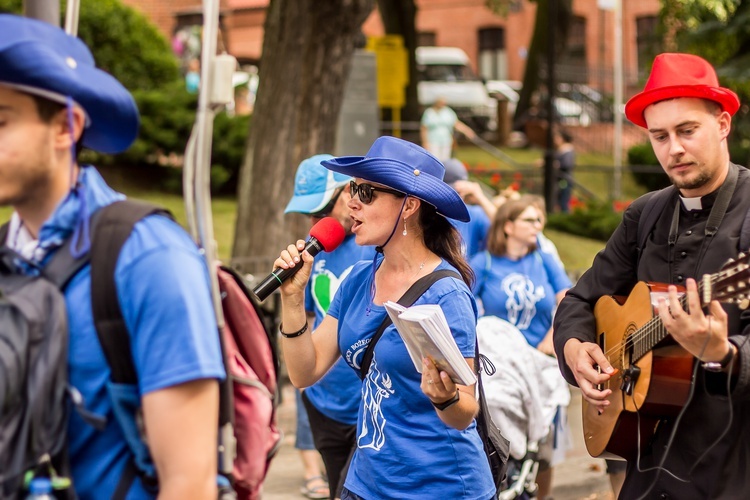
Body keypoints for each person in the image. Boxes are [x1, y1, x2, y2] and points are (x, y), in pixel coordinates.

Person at [0, 15, 225, 498]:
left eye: (2, 120)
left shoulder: (150, 257)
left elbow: (190, 483)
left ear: (67, 125)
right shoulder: (7, 255)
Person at [553, 52, 750, 498]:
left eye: (686, 131)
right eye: (659, 136)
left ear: (722, 125)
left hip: (732, 469)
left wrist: (723, 353)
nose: (673, 149)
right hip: (648, 468)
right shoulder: (646, 213)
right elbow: (581, 300)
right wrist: (576, 349)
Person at [273, 136, 495, 500]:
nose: (351, 202)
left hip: (441, 487)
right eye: (351, 189)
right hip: (367, 483)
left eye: (366, 192)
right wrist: (293, 299)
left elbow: (465, 413)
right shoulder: (359, 278)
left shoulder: (447, 294)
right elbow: (303, 373)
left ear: (408, 205)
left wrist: (445, 397)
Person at [284, 155, 376, 500]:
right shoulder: (315, 248)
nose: (315, 221)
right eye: (311, 214)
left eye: (322, 210)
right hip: (323, 401)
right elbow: (309, 316)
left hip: (368, 405)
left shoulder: (373, 248)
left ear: (351, 192)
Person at [469, 197, 571, 499]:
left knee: (545, 442)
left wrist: (552, 336)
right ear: (508, 226)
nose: (537, 227)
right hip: (500, 363)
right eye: (530, 220)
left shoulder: (543, 260)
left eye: (540, 221)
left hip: (539, 356)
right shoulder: (484, 262)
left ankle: (543, 493)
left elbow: (567, 298)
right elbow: (467, 307)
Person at [442, 158, 491, 259]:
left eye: (459, 192)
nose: (455, 198)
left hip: (467, 273)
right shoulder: (430, 214)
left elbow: (505, 229)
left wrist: (480, 198)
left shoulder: (474, 214)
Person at [420, 97, 476, 161]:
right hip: (432, 141)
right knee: (434, 160)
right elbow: (424, 128)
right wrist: (425, 142)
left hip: (446, 140)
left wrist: (467, 131)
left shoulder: (448, 111)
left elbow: (456, 124)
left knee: (445, 160)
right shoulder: (429, 112)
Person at [553, 129, 575, 213]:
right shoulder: (561, 150)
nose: (555, 139)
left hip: (565, 180)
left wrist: (555, 164)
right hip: (560, 179)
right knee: (559, 201)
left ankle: (564, 216)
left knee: (563, 202)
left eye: (557, 137)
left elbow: (567, 164)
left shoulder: (567, 150)